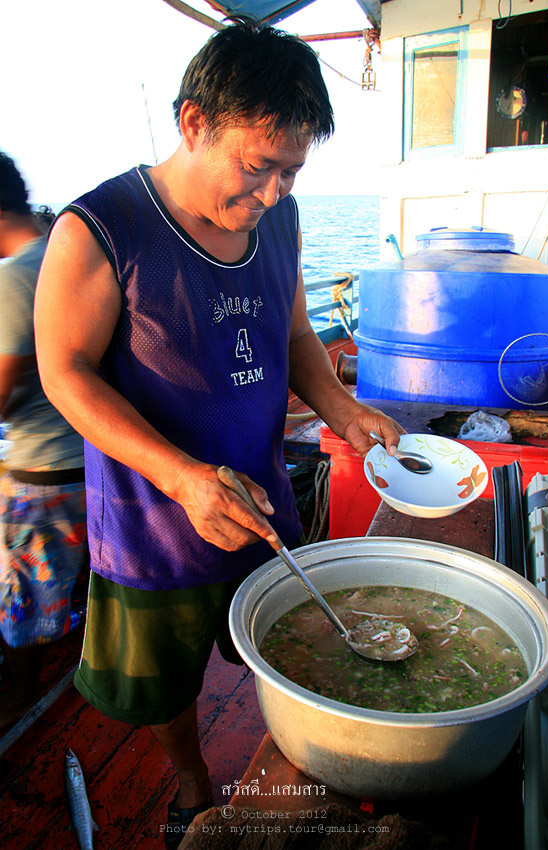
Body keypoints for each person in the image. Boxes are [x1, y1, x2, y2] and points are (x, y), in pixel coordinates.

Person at [34, 19, 403, 848]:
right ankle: (193, 784)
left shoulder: (281, 217)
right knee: (163, 686)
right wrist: (180, 476)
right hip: (151, 526)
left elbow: (296, 335)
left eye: (291, 170)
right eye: (256, 166)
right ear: (193, 121)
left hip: (262, 504)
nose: (272, 192)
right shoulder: (99, 228)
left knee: (293, 649)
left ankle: (296, 773)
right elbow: (65, 372)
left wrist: (343, 411)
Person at [0, 152, 87, 729]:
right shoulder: (67, 254)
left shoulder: (14, 277)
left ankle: (17, 724)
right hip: (93, 465)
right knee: (77, 594)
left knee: (22, 622)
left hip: (40, 479)